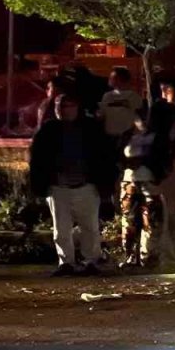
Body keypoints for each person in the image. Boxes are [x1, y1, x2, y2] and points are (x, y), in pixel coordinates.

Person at [28, 93, 114, 276]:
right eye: (61, 106)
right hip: (59, 186)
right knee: (61, 229)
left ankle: (91, 260)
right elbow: (37, 160)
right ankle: (66, 262)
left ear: (77, 108)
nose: (65, 110)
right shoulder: (48, 131)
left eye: (69, 105)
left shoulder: (90, 129)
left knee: (89, 226)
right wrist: (41, 184)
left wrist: (103, 182)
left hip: (86, 185)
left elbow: (103, 156)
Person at [118, 111, 170, 268]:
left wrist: (148, 166)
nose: (143, 122)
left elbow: (163, 159)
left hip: (149, 181)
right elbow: (117, 156)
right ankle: (130, 257)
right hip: (129, 182)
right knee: (129, 220)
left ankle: (149, 256)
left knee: (151, 220)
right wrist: (126, 164)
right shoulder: (126, 136)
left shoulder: (158, 137)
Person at [98, 66, 143, 143]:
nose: (109, 79)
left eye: (111, 77)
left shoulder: (133, 96)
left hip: (127, 137)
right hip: (111, 137)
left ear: (118, 79)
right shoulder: (107, 96)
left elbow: (138, 115)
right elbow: (102, 114)